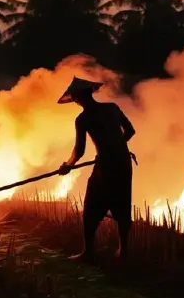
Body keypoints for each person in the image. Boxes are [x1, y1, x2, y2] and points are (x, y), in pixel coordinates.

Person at [57, 77, 136, 262]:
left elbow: (79, 150)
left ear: (78, 98)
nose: (75, 101)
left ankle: (89, 252)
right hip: (123, 163)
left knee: (91, 206)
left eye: (75, 97)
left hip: (106, 166)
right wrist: (117, 147)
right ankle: (123, 252)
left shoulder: (83, 119)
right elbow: (130, 131)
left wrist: (68, 165)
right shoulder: (112, 108)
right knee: (122, 203)